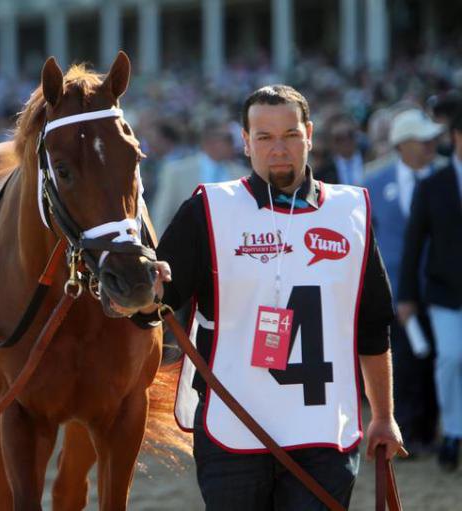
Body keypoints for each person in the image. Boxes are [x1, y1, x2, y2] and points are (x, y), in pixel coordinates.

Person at [115, 85, 404, 510]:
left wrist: (383, 415)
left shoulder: (350, 211)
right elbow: (157, 305)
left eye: (289, 134)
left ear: (309, 134)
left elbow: (372, 326)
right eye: (264, 137)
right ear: (246, 142)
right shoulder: (208, 209)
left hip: (323, 430)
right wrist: (143, 292)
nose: (279, 149)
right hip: (233, 427)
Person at [365, 108, 443, 458]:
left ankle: (431, 429)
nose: (431, 144)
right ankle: (409, 430)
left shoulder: (446, 177)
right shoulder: (373, 183)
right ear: (403, 144)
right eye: (423, 139)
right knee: (403, 364)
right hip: (394, 291)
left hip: (443, 290)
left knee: (438, 361)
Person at [399, 110, 462, 472]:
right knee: (451, 359)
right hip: (444, 293)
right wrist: (406, 295)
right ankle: (453, 432)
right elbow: (413, 245)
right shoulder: (432, 185)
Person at [151, 118, 248, 232]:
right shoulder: (177, 173)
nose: (234, 144)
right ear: (209, 142)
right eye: (228, 139)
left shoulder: (243, 174)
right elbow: (162, 217)